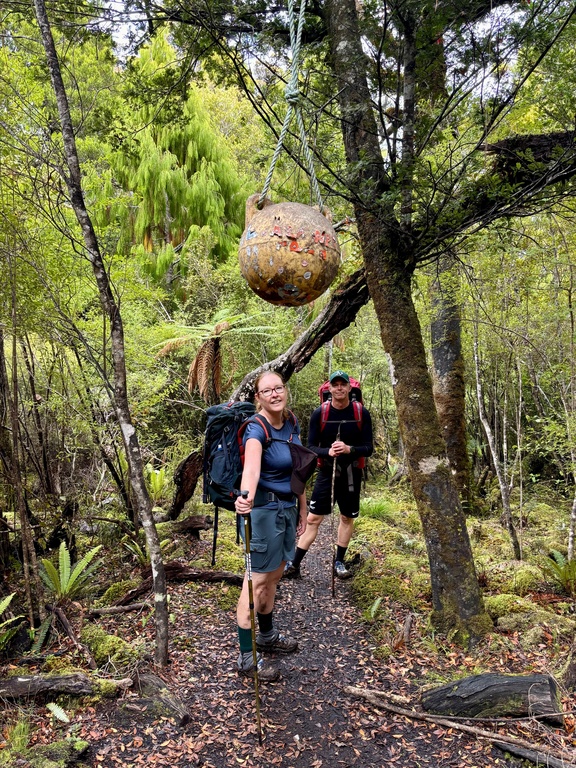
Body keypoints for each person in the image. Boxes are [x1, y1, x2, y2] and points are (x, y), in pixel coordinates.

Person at [234, 371, 308, 681]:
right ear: (258, 398)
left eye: (278, 388)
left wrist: (302, 508)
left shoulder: (291, 422)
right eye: (267, 391)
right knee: (255, 582)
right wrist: (245, 498)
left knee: (274, 576)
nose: (275, 394)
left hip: (286, 509)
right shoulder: (256, 429)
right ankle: (246, 657)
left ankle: (267, 636)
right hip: (263, 513)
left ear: (285, 390)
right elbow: (251, 470)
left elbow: (298, 468)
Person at [284, 370, 373, 580]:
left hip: (351, 473)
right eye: (335, 385)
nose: (339, 388)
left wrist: (350, 449)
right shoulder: (320, 413)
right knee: (313, 518)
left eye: (343, 384)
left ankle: (339, 562)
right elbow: (311, 447)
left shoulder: (361, 413)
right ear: (329, 389)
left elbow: (369, 448)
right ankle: (294, 564)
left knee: (347, 517)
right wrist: (328, 452)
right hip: (326, 471)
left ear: (349, 388)